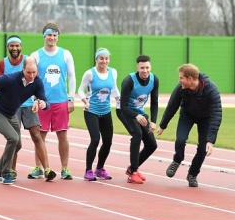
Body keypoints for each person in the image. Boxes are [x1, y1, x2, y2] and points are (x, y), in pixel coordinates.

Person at [0, 57, 56, 185]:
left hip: (11, 114)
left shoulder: (37, 82)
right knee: (13, 138)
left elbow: (45, 101)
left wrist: (43, 103)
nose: (31, 76)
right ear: (23, 70)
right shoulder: (10, 79)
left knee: (18, 144)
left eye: (34, 72)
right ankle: (6, 172)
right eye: (28, 72)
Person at [0, 35, 54, 181]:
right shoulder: (2, 63)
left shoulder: (29, 60)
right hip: (11, 107)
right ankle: (11, 169)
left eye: (17, 46)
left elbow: (36, 82)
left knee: (36, 135)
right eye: (12, 46)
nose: (15, 48)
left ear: (21, 47)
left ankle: (46, 169)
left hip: (29, 105)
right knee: (14, 139)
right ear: (8, 47)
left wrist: (36, 100)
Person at [157, 64, 222, 187]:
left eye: (181, 78)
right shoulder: (181, 88)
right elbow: (172, 106)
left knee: (202, 149)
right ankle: (177, 160)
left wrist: (210, 140)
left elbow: (216, 114)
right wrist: (163, 125)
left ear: (190, 79)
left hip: (205, 119)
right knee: (180, 140)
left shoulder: (211, 90)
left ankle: (192, 174)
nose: (179, 80)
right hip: (187, 114)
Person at [28, 22, 76, 180]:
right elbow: (31, 78)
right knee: (39, 136)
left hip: (61, 101)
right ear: (44, 36)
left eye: (55, 35)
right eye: (49, 35)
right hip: (42, 101)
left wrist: (71, 99)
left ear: (58, 37)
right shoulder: (36, 55)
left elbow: (72, 77)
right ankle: (39, 167)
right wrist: (34, 99)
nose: (52, 38)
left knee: (62, 135)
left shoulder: (66, 54)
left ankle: (65, 168)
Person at [78, 48, 120, 181]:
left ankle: (100, 169)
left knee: (107, 142)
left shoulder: (113, 72)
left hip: (106, 111)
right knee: (95, 139)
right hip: (91, 111)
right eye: (101, 58)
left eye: (106, 58)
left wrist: (120, 100)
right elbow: (80, 90)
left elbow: (114, 89)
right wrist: (85, 101)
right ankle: (88, 170)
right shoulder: (90, 74)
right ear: (96, 59)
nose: (104, 61)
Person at [116, 55, 159, 184]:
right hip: (124, 111)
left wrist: (153, 121)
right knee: (137, 134)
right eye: (142, 68)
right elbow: (123, 106)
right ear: (137, 68)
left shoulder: (154, 79)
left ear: (150, 67)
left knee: (152, 144)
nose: (145, 71)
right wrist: (136, 116)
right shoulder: (129, 80)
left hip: (139, 112)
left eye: (147, 68)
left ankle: (131, 168)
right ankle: (133, 173)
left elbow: (154, 102)